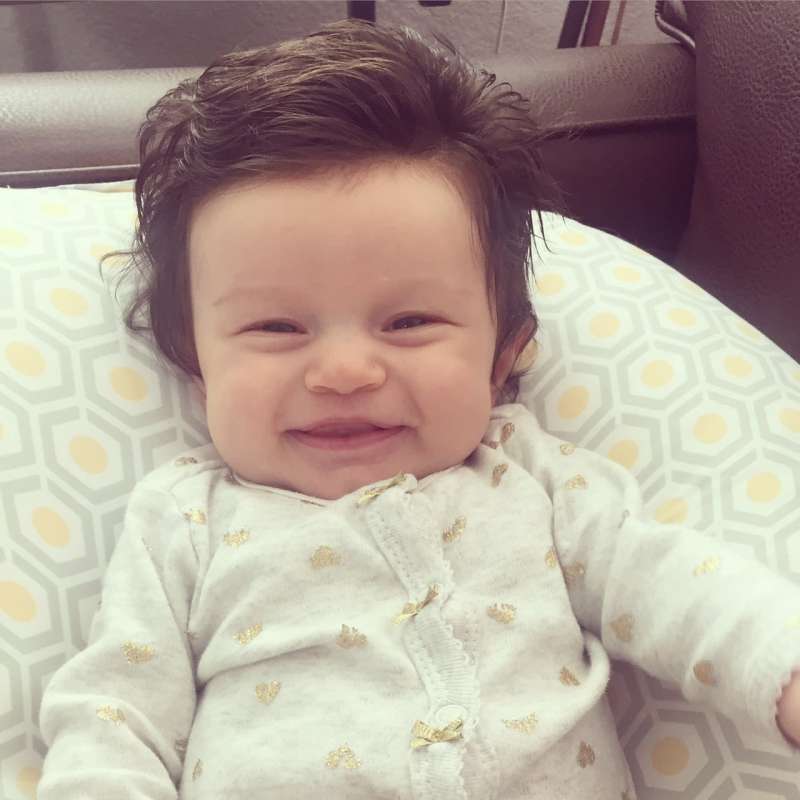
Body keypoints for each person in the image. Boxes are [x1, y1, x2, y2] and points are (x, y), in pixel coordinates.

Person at [37, 18, 800, 800]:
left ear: (503, 359)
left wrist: (785, 670)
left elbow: (674, 585)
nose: (344, 372)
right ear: (198, 372)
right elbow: (114, 716)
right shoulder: (186, 520)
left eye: (408, 322)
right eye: (276, 328)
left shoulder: (534, 482)